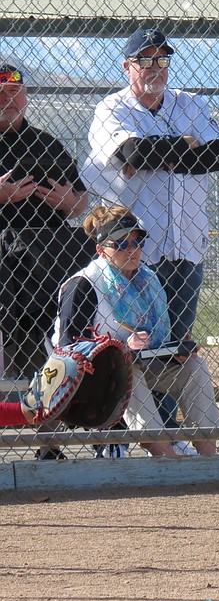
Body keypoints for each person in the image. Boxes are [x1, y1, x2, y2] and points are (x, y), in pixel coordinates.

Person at [81, 28, 219, 347]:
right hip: (135, 250)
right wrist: (187, 145)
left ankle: (169, 399)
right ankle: (142, 401)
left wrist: (155, 154)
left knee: (177, 346)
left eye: (161, 59)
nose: (154, 67)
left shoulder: (188, 103)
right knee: (140, 346)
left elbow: (218, 156)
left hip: (188, 242)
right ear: (127, 66)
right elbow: (134, 152)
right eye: (144, 60)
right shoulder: (112, 108)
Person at [53, 205, 219, 457]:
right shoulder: (84, 284)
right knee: (127, 368)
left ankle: (210, 460)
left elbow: (156, 340)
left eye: (137, 240)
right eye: (120, 244)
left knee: (194, 369)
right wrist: (118, 349)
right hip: (95, 375)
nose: (132, 249)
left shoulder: (148, 279)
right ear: (101, 249)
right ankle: (166, 457)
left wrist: (175, 349)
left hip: (145, 365)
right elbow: (67, 349)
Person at [0, 61, 89, 380]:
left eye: (14, 91)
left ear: (25, 95)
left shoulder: (45, 143)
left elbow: (81, 200)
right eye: (0, 92)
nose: (7, 99)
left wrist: (70, 203)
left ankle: (60, 397)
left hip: (47, 257)